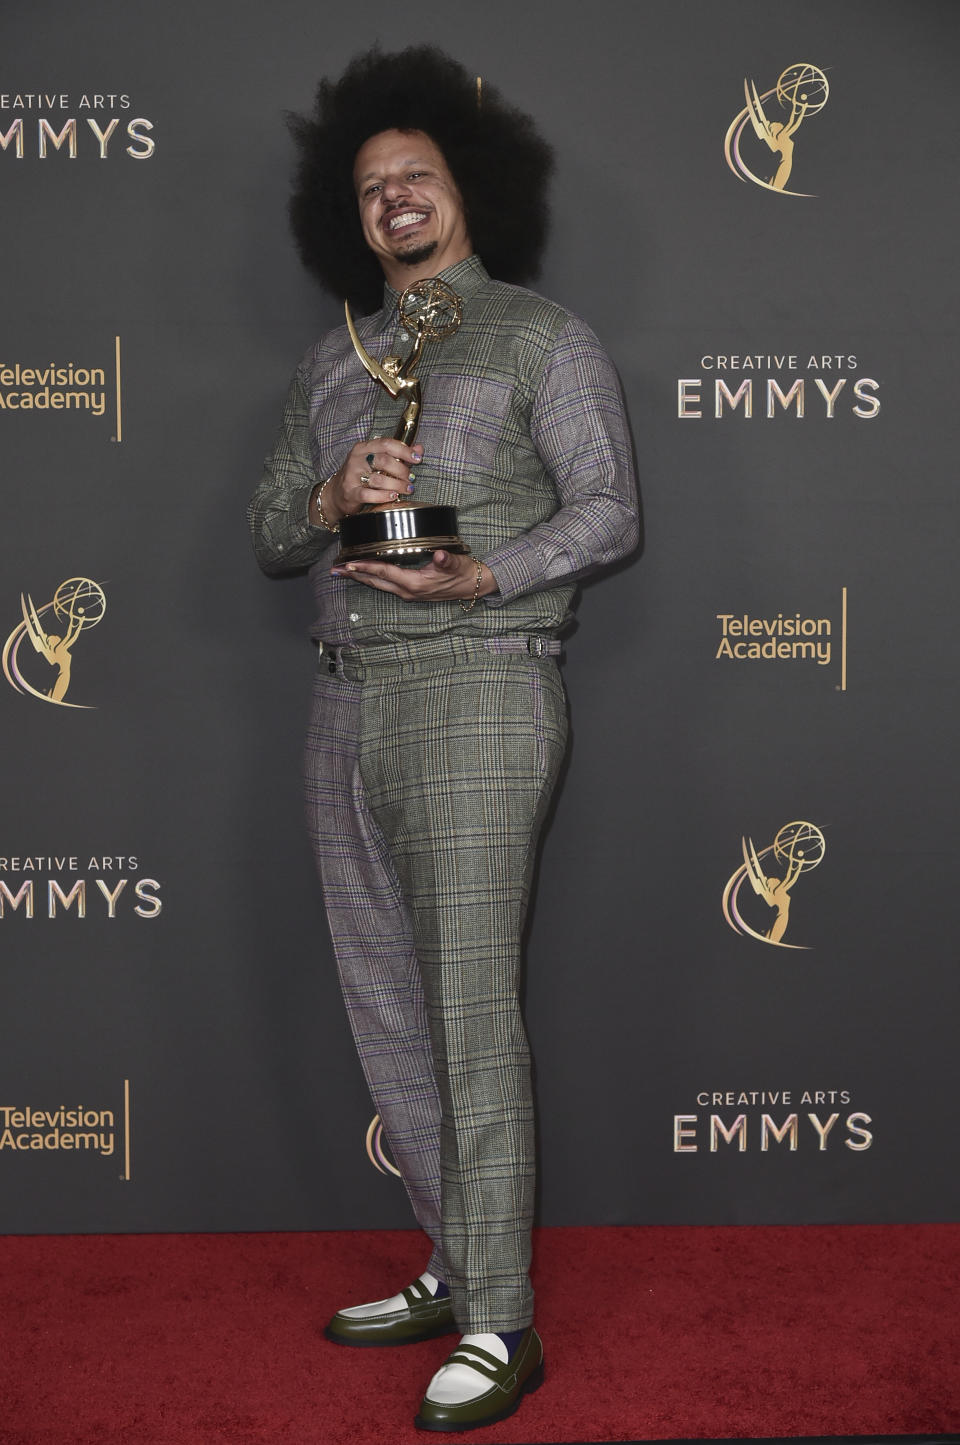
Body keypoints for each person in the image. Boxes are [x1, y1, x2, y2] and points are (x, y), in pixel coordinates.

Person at [248, 45, 639, 1433]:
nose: (394, 200)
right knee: (387, 1006)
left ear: (468, 191)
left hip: (479, 683)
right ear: (343, 216)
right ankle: (451, 1257)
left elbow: (609, 512)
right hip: (344, 696)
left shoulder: (540, 335)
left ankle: (501, 1320)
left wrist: (493, 570)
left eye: (415, 177)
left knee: (468, 1009)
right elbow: (267, 535)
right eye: (370, 188)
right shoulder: (332, 360)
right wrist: (328, 489)